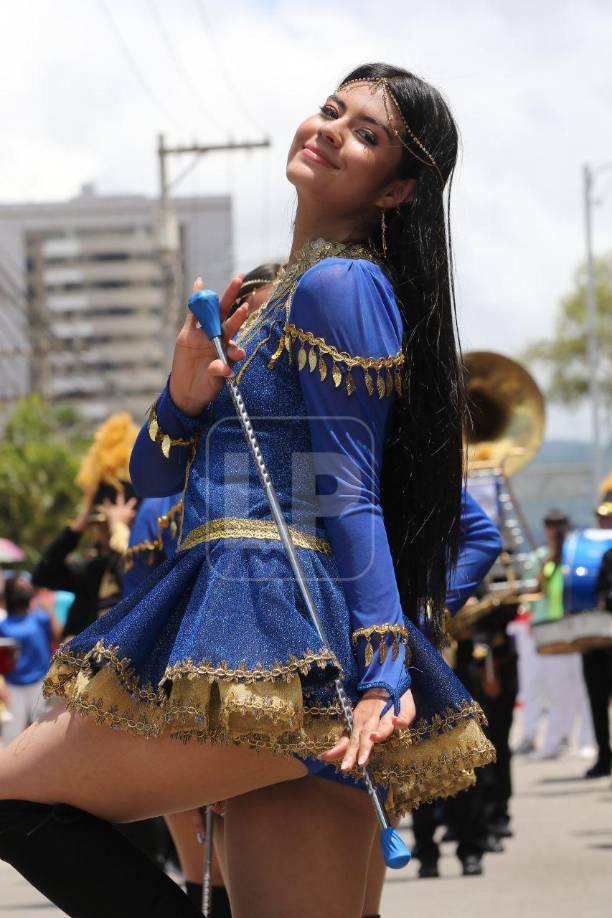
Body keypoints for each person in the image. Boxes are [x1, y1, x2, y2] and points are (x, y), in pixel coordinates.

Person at [0, 64, 495, 918]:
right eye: (332, 110)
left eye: (367, 134)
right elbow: (155, 483)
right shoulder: (284, 297)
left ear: (398, 188)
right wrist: (184, 392)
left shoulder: (342, 286)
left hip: (275, 639)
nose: (333, 129)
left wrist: (382, 669)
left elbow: (348, 493)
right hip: (254, 639)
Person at [0, 576, 62, 744]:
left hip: (40, 683)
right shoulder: (3, 626)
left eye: (27, 586)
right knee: (11, 736)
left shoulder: (40, 618)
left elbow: (57, 637)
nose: (26, 588)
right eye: (21, 586)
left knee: (43, 734)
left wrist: (50, 609)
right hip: (13, 686)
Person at [582, 484, 612, 778]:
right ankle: (605, 755)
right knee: (596, 699)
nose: (605, 523)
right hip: (596, 638)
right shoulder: (594, 552)